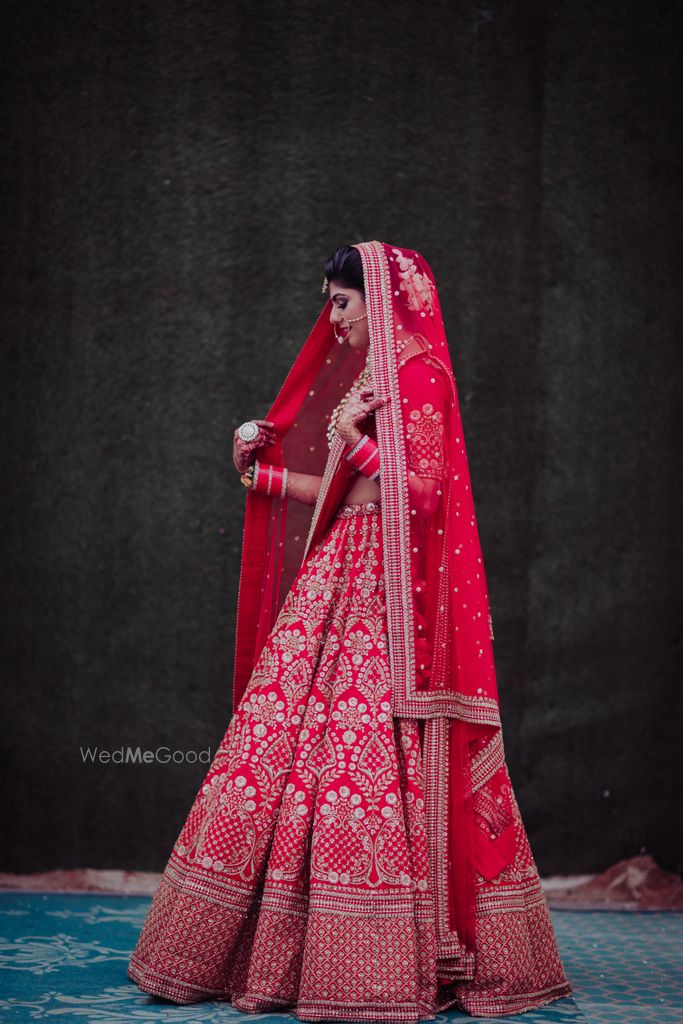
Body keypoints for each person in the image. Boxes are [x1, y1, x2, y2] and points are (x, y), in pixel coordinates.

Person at [128, 241, 573, 1019]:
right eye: (329, 304)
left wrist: (362, 433)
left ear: (382, 299)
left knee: (362, 757)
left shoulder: (420, 377)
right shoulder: (371, 379)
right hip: (339, 571)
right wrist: (254, 470)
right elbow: (344, 491)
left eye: (341, 302)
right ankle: (255, 948)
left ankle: (383, 955)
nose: (331, 320)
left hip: (389, 596)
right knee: (273, 744)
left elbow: (422, 497)